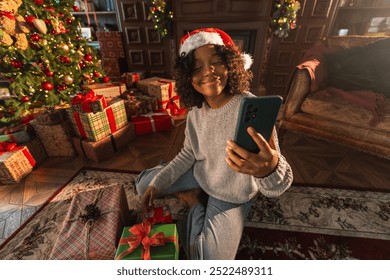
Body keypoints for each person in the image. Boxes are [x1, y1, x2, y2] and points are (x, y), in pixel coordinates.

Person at [135, 27, 293, 260]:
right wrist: (158, 183)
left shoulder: (251, 107)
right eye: (196, 67)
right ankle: (173, 179)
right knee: (143, 187)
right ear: (188, 77)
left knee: (210, 262)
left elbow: (277, 186)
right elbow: (188, 153)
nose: (208, 72)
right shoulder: (196, 112)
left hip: (231, 193)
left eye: (216, 62)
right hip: (201, 173)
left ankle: (192, 201)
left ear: (231, 64)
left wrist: (268, 169)